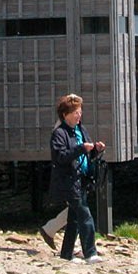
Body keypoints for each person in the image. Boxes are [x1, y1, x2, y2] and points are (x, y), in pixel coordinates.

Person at [49, 94, 106, 264]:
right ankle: (90, 253)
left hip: (82, 179)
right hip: (68, 181)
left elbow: (87, 153)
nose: (79, 115)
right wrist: (81, 148)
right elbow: (60, 157)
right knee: (85, 215)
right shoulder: (59, 134)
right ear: (65, 114)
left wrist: (96, 150)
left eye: (80, 112)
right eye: (75, 112)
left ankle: (66, 254)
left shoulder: (81, 130)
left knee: (73, 219)